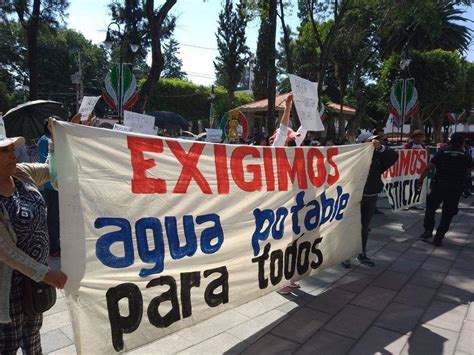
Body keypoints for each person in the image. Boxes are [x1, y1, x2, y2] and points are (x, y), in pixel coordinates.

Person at [0, 133, 67, 354]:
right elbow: (6, 251)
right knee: (8, 345)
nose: (12, 156)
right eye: (4, 151)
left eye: (12, 150)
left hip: (34, 284)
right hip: (7, 289)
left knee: (33, 340)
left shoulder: (22, 173)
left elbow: (52, 171)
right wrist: (46, 273)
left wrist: (60, 139)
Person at [342, 132, 399, 268]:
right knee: (349, 226)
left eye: (374, 141)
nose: (373, 143)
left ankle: (361, 253)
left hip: (370, 196)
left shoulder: (378, 156)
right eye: (369, 141)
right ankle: (345, 256)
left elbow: (394, 156)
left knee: (364, 227)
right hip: (353, 196)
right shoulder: (352, 156)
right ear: (360, 143)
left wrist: (380, 148)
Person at [417, 133, 473, 246]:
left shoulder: (442, 152)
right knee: (448, 214)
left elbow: (429, 167)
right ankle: (439, 237)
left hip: (439, 186)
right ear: (462, 143)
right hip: (455, 188)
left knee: (431, 208)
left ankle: (428, 231)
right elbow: (470, 168)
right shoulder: (466, 155)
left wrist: (420, 180)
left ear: (450, 142)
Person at [38, 119, 61, 257]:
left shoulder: (44, 140)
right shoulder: (47, 141)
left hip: (53, 184)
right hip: (52, 185)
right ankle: (53, 247)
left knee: (54, 217)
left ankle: (54, 245)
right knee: (53, 218)